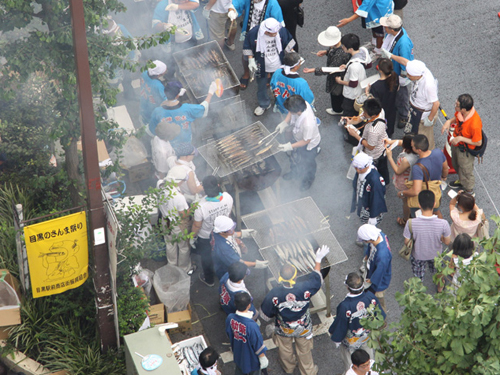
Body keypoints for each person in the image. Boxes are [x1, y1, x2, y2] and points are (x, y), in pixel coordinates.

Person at [260, 245, 330, 375]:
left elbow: (265, 315)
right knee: (304, 350)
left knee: (285, 349)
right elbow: (317, 279)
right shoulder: (305, 288)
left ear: (280, 277)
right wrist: (318, 260)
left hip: (283, 328)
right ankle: (308, 371)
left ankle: (288, 368)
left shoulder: (274, 293)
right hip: (303, 327)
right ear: (296, 277)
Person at [380, 52, 439, 150]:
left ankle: (427, 153)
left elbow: (436, 103)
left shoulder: (428, 85)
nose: (407, 76)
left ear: (416, 75)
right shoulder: (417, 68)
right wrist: (391, 56)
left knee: (424, 136)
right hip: (414, 110)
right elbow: (404, 61)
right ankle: (412, 146)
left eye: (409, 75)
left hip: (423, 115)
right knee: (412, 132)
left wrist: (429, 119)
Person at [329, 272, 385, 374]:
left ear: (347, 287)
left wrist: (336, 338)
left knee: (351, 363)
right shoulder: (370, 297)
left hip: (351, 341)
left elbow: (340, 325)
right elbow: (381, 316)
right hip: (367, 337)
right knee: (369, 360)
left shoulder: (345, 306)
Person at [243, 18, 295, 116]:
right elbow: (248, 46)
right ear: (266, 31)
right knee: (261, 86)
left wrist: (293, 56)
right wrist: (250, 60)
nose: (276, 34)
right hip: (261, 65)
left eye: (276, 32)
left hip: (279, 64)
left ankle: (282, 103)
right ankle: (264, 104)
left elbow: (288, 44)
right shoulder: (254, 33)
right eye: (273, 33)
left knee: (281, 85)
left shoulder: (281, 30)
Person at [192, 176, 234, 287]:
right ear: (218, 186)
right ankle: (226, 277)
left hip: (206, 237)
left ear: (204, 190)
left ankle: (209, 279)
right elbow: (228, 215)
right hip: (223, 234)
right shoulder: (227, 197)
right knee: (223, 254)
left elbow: (197, 225)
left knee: (206, 258)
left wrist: (192, 237)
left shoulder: (200, 206)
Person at [233, 0, 284, 89]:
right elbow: (236, 3)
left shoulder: (272, 4)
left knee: (265, 57)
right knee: (246, 55)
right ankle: (246, 73)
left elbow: (279, 24)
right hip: (250, 33)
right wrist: (231, 10)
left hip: (266, 36)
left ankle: (267, 74)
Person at [403, 190, 451, 282]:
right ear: (434, 204)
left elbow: (406, 242)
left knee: (418, 276)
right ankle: (440, 288)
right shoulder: (443, 223)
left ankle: (418, 290)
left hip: (418, 254)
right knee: (438, 272)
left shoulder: (410, 223)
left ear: (419, 205)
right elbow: (447, 241)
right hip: (436, 254)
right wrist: (440, 237)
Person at [275, 95, 321, 191]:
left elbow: (306, 140)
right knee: (294, 157)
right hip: (297, 137)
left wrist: (289, 146)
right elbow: (290, 113)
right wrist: (285, 122)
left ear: (298, 111)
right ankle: (295, 172)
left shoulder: (308, 124)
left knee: (308, 162)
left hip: (309, 145)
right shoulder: (302, 104)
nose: (290, 112)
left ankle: (308, 180)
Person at [149, 81, 216, 145]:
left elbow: (152, 129)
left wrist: (175, 96)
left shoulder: (157, 111)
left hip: (167, 145)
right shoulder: (186, 108)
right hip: (185, 143)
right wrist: (210, 93)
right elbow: (203, 108)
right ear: (178, 95)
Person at [441, 94, 483, 194]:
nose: (455, 105)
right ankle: (461, 181)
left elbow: (478, 142)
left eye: (457, 104)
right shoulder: (461, 113)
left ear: (463, 109)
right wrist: (449, 121)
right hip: (457, 144)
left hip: (465, 150)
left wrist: (460, 138)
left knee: (466, 170)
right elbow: (456, 119)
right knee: (456, 164)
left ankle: (469, 191)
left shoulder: (474, 124)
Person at [303, 26, 350, 116]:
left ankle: (337, 109)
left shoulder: (339, 55)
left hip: (337, 75)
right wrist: (326, 52)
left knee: (336, 93)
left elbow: (330, 69)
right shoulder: (341, 42)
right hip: (340, 73)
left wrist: (313, 70)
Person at [399, 134, 448, 218]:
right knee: (436, 211)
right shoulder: (438, 152)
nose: (411, 147)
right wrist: (443, 177)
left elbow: (416, 191)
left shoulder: (417, 167)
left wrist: (402, 193)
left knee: (417, 215)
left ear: (419, 150)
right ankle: (441, 227)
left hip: (424, 195)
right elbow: (445, 168)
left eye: (412, 146)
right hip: (436, 189)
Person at [379, 14, 413, 129]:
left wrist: (402, 79)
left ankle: (404, 115)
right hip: (394, 70)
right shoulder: (397, 33)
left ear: (392, 29)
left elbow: (405, 62)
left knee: (402, 95)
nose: (384, 28)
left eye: (386, 27)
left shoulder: (403, 43)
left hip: (400, 74)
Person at [345, 98, 390, 185]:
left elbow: (370, 146)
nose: (363, 113)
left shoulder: (373, 130)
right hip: (382, 144)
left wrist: (355, 135)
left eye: (365, 112)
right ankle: (385, 180)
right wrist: (350, 121)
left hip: (375, 153)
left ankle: (378, 183)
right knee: (383, 167)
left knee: (375, 170)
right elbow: (361, 117)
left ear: (372, 116)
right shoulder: (379, 111)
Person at [158, 166, 193, 274]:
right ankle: (184, 269)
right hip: (178, 225)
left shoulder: (160, 185)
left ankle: (171, 266)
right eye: (182, 180)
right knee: (183, 247)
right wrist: (193, 207)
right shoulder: (178, 197)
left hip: (165, 221)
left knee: (170, 244)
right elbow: (184, 215)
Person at [226, 292, 268, 375]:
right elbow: (258, 345)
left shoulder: (230, 318)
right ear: (249, 305)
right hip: (251, 359)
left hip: (238, 353)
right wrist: (263, 358)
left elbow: (229, 334)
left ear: (235, 304)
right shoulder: (252, 326)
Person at [384, 134, 418, 226]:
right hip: (411, 179)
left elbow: (398, 171)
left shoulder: (407, 160)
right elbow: (400, 142)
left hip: (405, 182)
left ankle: (406, 219)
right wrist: (390, 142)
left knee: (405, 201)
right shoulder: (416, 148)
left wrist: (389, 157)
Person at [357, 224, 392, 312]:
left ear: (368, 239)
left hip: (380, 282)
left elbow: (380, 271)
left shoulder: (382, 255)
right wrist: (367, 255)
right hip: (373, 269)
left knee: (379, 300)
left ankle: (382, 319)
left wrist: (372, 280)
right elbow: (370, 246)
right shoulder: (378, 236)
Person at [335, 34, 371, 117]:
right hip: (361, 86)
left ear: (350, 49)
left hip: (352, 94)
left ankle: (349, 127)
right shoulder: (363, 50)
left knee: (349, 112)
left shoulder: (354, 66)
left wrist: (340, 81)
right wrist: (347, 66)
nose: (342, 47)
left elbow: (353, 84)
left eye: (344, 46)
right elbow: (369, 65)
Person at [350, 152, 387, 226]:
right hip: (363, 201)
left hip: (370, 208)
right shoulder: (362, 169)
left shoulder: (375, 179)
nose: (357, 170)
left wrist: (373, 216)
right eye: (356, 168)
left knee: (370, 227)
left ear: (367, 165)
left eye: (360, 168)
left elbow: (377, 198)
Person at [366, 58, 399, 137]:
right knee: (389, 127)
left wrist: (367, 92)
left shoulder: (376, 86)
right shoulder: (395, 77)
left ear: (380, 70)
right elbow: (397, 89)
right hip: (391, 108)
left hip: (381, 112)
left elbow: (373, 102)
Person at [140, 60, 168, 125]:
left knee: (144, 113)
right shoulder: (158, 85)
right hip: (152, 107)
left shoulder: (144, 72)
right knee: (151, 119)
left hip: (144, 99)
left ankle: (144, 120)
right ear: (158, 75)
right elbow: (164, 100)